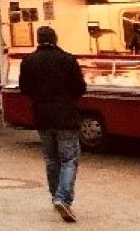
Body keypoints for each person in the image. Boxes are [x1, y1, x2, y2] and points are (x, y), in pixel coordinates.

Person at [20, 26, 87, 223]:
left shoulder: (29, 61)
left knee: (51, 159)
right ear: (56, 39)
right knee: (69, 159)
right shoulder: (68, 59)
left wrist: (39, 98)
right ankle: (63, 198)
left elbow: (24, 88)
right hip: (66, 116)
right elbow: (80, 87)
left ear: (38, 39)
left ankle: (55, 196)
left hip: (42, 116)